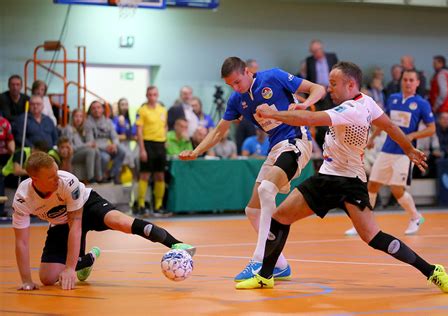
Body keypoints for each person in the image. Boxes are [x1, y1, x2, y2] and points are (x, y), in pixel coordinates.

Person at [235, 61, 448, 294]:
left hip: (350, 182)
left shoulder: (352, 110)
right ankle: (265, 276)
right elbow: (389, 125)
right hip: (327, 178)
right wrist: (409, 148)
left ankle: (431, 270)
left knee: (374, 237)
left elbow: (309, 120)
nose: (329, 89)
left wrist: (274, 113)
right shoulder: (367, 101)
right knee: (279, 218)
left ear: (350, 84)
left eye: (333, 84)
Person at [179, 56, 326, 282]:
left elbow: (317, 88)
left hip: (297, 140)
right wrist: (197, 151)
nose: (235, 88)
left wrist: (305, 105)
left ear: (247, 72)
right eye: (230, 85)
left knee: (267, 190)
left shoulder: (273, 77)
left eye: (237, 82)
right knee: (252, 210)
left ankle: (259, 260)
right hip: (275, 147)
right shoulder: (236, 100)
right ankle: (280, 264)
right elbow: (219, 131)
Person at [12, 151, 195, 291]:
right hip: (60, 223)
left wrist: (69, 268)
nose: (57, 178)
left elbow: (76, 225)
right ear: (35, 180)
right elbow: (21, 242)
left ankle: (177, 244)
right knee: (47, 278)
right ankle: (86, 260)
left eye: (57, 173)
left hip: (87, 205)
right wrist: (26, 280)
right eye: (51, 177)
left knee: (122, 222)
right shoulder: (23, 198)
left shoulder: (67, 182)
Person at [345, 69, 435, 236]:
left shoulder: (422, 103)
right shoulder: (393, 99)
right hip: (387, 149)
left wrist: (413, 135)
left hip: (405, 152)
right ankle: (364, 222)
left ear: (417, 83)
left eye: (411, 80)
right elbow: (384, 122)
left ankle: (415, 217)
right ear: (402, 81)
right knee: (372, 185)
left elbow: (432, 129)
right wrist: (372, 139)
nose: (408, 82)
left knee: (396, 189)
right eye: (405, 79)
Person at [136, 86, 167, 215]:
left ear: (158, 95)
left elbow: (165, 126)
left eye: (154, 94)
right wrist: (142, 149)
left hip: (160, 145)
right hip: (148, 144)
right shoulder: (142, 110)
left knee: (160, 175)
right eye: (150, 94)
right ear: (146, 95)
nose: (152, 97)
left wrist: (165, 141)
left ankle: (158, 205)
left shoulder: (163, 110)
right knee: (145, 175)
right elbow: (139, 131)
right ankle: (141, 204)